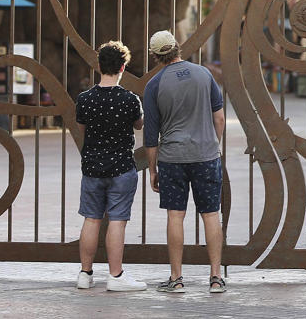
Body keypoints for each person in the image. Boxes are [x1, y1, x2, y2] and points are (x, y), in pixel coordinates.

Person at [143, 30, 226, 294]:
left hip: (172, 158)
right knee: (211, 214)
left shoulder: (154, 84)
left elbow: (151, 135)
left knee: (175, 216)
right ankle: (216, 278)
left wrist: (153, 170)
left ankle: (176, 279)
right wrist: (214, 144)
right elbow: (220, 118)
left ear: (156, 56)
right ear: (177, 48)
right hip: (206, 155)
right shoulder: (204, 74)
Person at [75, 40, 147, 291]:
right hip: (121, 167)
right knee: (117, 220)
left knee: (91, 219)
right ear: (123, 67)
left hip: (92, 167)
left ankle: (85, 274)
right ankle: (115, 276)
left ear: (99, 66)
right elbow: (139, 126)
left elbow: (82, 129)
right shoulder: (130, 99)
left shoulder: (85, 99)